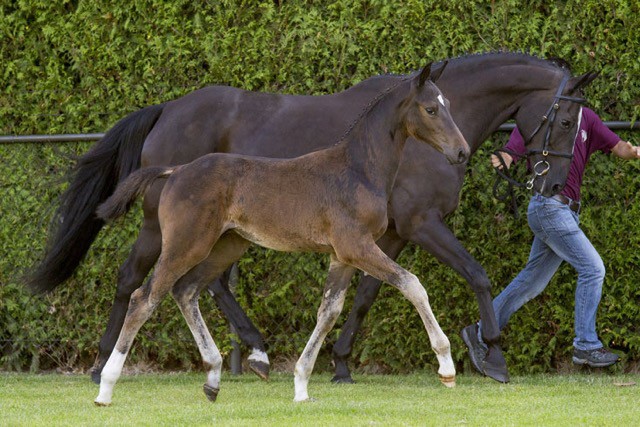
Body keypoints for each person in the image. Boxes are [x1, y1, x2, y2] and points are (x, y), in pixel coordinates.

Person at [462, 106, 640, 372]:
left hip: (566, 211)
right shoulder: (544, 114)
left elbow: (619, 148)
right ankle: (586, 344)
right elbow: (518, 144)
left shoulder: (587, 118)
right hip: (549, 207)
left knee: (531, 282)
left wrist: (635, 151)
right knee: (593, 269)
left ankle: (480, 331)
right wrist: (508, 157)